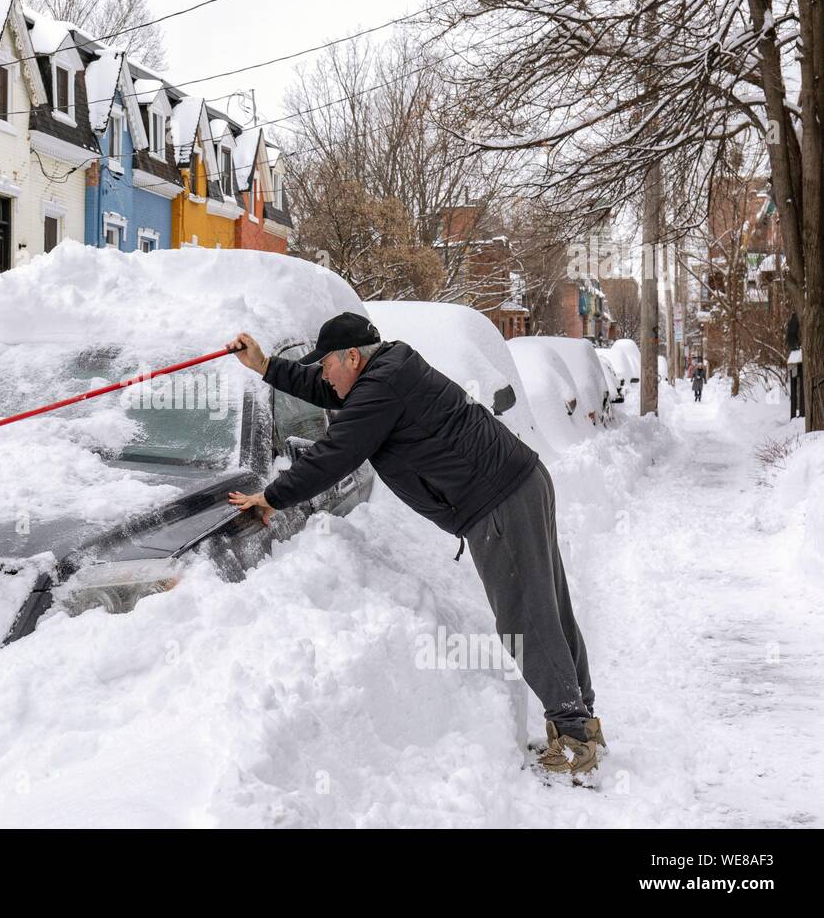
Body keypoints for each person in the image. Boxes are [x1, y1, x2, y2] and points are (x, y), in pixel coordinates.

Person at [226, 313, 604, 775]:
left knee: (527, 619)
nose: (322, 373)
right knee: (549, 608)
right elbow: (332, 390)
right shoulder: (388, 368)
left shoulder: (380, 389)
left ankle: (572, 738)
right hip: (519, 484)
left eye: (325, 363)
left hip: (500, 503)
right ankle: (580, 723)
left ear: (351, 357)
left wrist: (272, 495)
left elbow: (334, 455)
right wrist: (266, 366)